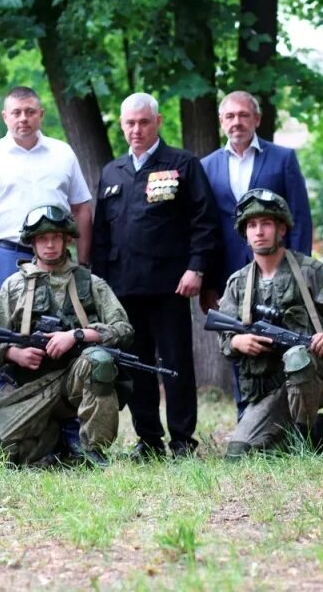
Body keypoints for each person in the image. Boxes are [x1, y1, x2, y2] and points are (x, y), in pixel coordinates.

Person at [92, 92, 221, 459]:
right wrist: (99, 286)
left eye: (143, 122)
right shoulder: (112, 171)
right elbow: (102, 235)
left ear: (158, 122)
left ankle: (182, 441)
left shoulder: (182, 164)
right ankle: (148, 441)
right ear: (121, 125)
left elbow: (204, 221)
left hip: (169, 286)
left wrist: (197, 268)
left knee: (176, 365)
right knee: (137, 367)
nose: (136, 129)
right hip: (123, 289)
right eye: (130, 123)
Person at [218, 189, 323, 458]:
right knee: (238, 454)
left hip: (313, 376)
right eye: (252, 225)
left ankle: (305, 440)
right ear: (245, 234)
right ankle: (313, 429)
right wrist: (238, 341)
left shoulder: (310, 271)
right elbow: (224, 335)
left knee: (298, 356)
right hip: (268, 385)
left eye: (266, 224)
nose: (259, 231)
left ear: (281, 229)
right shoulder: (238, 283)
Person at [0, 205, 133, 466]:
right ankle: (56, 439)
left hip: (75, 378)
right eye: (42, 238)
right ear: (32, 243)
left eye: (55, 237)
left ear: (67, 240)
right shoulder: (14, 286)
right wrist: (14, 353)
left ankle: (92, 449)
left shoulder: (90, 282)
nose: (49, 244)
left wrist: (77, 336)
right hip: (31, 386)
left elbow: (123, 329)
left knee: (99, 361)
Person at [201, 89, 314, 417]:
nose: (237, 122)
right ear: (222, 121)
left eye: (244, 115)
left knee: (283, 337)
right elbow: (205, 227)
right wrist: (208, 280)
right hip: (228, 274)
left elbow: (301, 217)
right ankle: (246, 416)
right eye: (230, 116)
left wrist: (299, 267)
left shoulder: (282, 158)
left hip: (278, 267)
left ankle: (288, 416)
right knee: (239, 340)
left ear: (257, 119)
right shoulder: (207, 166)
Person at [0, 86, 93, 302]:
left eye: (30, 111)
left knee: (62, 326)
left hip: (58, 256)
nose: (23, 118)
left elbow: (82, 209)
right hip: (8, 256)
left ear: (41, 114)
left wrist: (84, 262)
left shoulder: (63, 153)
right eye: (16, 112)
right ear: (5, 117)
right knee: (11, 330)